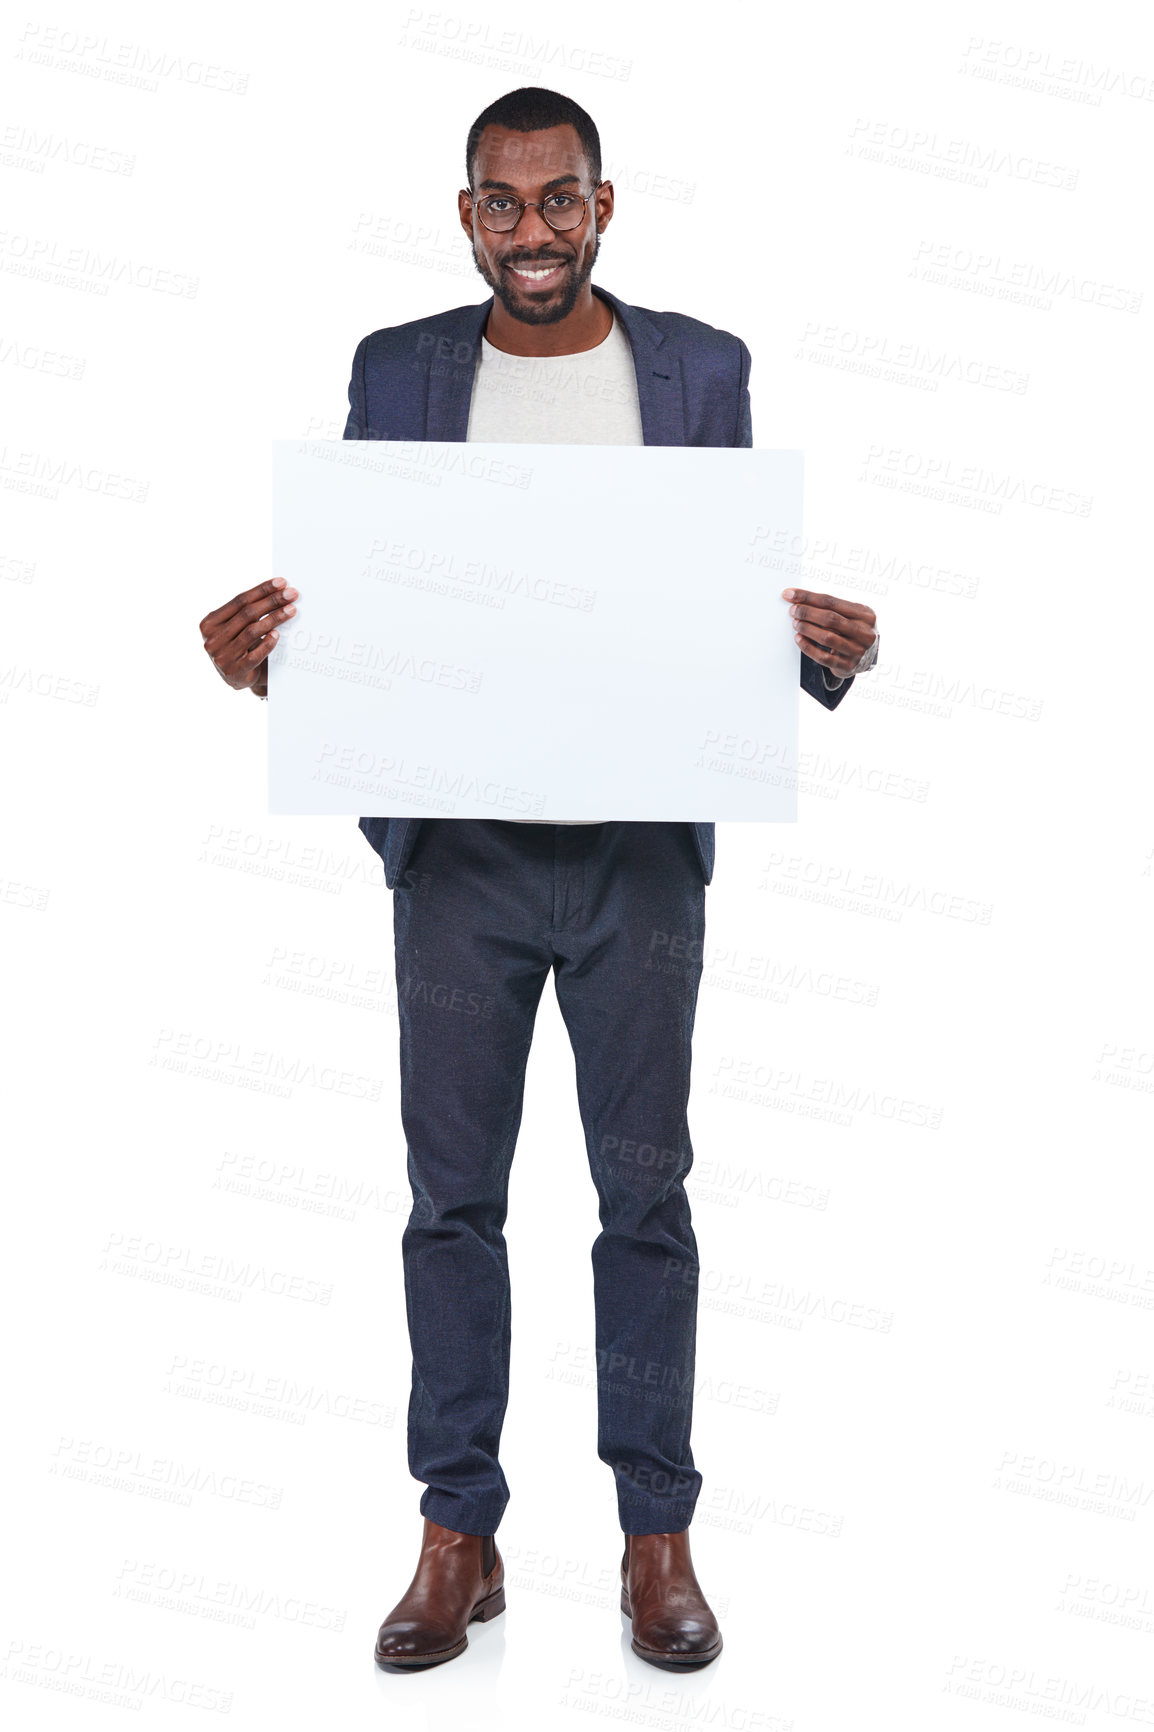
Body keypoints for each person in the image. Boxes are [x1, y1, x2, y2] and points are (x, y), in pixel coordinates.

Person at [199, 86, 879, 1674]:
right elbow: (375, 615)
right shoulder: (401, 369)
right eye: (501, 204)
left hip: (642, 858)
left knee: (645, 1199)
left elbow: (712, 605)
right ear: (465, 218)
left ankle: (655, 1536)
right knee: (453, 1206)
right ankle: (460, 1532)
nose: (531, 231)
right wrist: (266, 669)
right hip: (463, 863)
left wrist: (820, 656)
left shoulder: (697, 367)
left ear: (604, 206)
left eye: (557, 199)